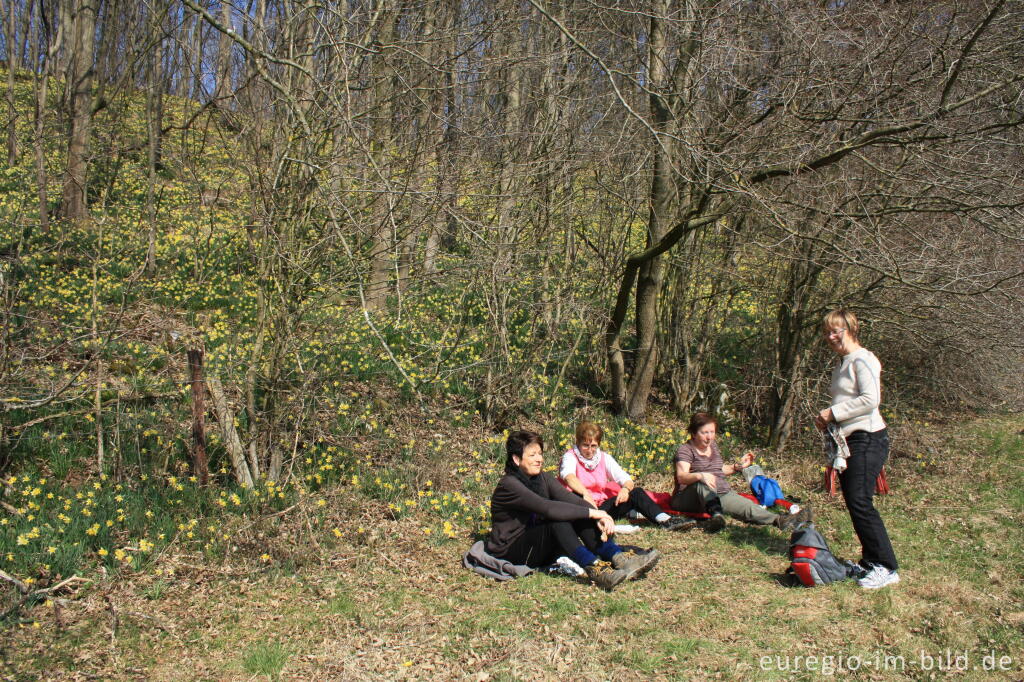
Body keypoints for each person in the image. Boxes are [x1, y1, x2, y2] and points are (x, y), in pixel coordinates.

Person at [485, 430, 660, 590]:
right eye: (532, 455)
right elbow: (547, 508)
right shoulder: (509, 485)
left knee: (577, 513)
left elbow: (571, 499)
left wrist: (599, 515)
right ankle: (595, 568)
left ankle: (619, 558)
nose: (539, 459)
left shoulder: (542, 478)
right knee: (558, 521)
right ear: (516, 459)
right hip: (514, 550)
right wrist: (594, 512)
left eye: (540, 453)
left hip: (541, 543)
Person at [815, 309, 899, 589]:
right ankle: (870, 562)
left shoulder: (863, 359)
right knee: (854, 500)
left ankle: (887, 567)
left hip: (869, 437)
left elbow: (870, 400)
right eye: (827, 331)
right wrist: (829, 420)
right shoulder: (843, 362)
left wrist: (833, 412)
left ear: (850, 328)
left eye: (836, 330)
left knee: (861, 501)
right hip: (851, 439)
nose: (831, 336)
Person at [670, 412, 810, 532]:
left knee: (747, 507)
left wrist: (737, 467)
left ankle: (782, 520)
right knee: (702, 484)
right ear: (694, 433)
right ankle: (716, 517)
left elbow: (718, 470)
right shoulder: (685, 450)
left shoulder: (713, 446)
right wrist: (700, 475)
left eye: (712, 432)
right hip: (688, 497)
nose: (709, 437)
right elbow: (682, 477)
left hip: (718, 494)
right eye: (704, 433)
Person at [560, 421, 696, 531]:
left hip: (600, 506)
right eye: (585, 445)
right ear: (578, 442)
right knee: (576, 496)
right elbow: (569, 477)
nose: (590, 450)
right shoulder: (570, 456)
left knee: (636, 492)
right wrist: (585, 494)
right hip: (580, 506)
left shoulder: (603, 458)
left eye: (593, 446)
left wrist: (625, 489)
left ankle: (664, 520)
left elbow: (626, 479)